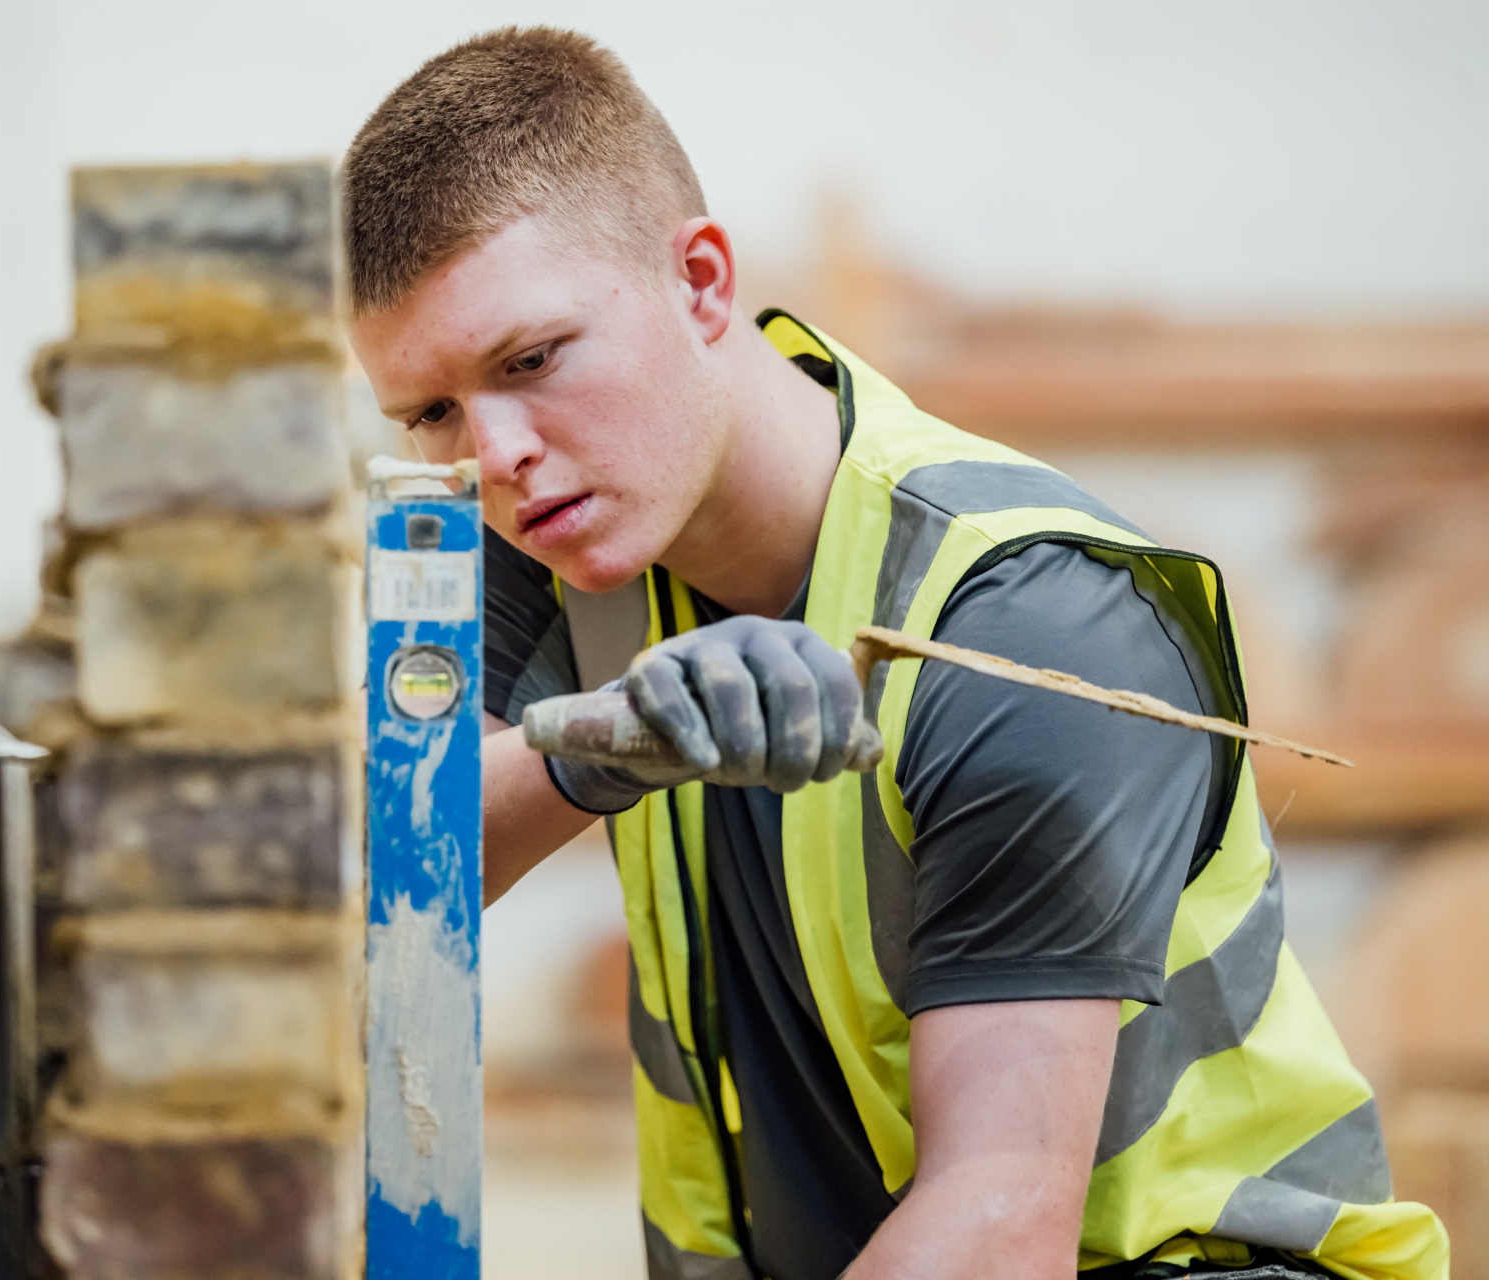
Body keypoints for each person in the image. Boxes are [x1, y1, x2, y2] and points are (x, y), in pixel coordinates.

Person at [343, 27, 1446, 1280]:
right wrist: (590, 762)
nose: (490, 452)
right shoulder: (545, 546)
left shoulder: (1019, 623)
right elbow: (378, 873)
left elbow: (995, 1225)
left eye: (531, 360)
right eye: (429, 409)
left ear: (703, 281)